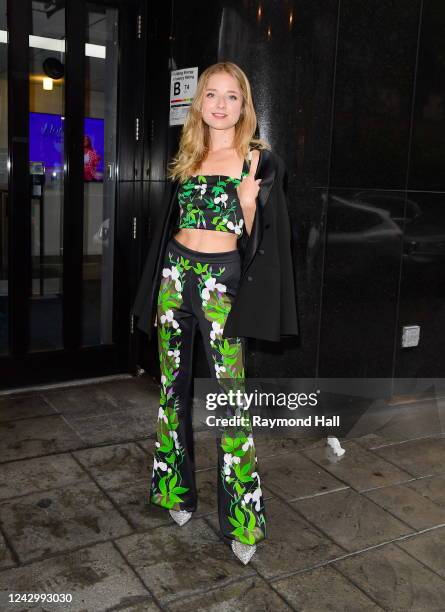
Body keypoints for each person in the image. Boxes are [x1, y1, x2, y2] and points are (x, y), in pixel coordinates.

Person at [132, 61, 299, 565]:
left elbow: (263, 238)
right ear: (199, 103)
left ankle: (243, 519)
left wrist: (248, 204)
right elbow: (170, 226)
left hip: (221, 284)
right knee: (171, 391)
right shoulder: (188, 155)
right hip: (173, 278)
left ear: (244, 105)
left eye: (232, 96)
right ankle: (174, 493)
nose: (221, 104)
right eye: (212, 95)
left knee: (232, 400)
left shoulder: (259, 160)